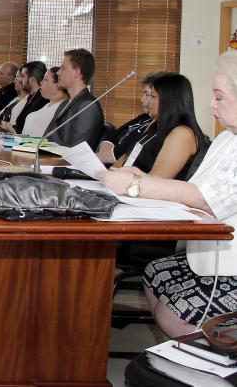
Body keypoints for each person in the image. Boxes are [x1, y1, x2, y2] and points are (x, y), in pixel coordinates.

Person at [101, 51, 237, 338]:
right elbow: (192, 190)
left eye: (219, 97)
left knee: (175, 310)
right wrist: (136, 177)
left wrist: (136, 185)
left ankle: (202, 368)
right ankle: (177, 355)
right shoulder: (227, 139)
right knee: (155, 273)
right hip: (210, 256)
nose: (211, 104)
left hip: (231, 267)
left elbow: (204, 198)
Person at [108, 73, 208, 181]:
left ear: (169, 101)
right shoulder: (154, 126)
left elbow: (156, 180)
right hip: (126, 189)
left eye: (153, 96)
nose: (145, 101)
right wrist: (107, 176)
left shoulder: (182, 134)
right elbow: (125, 158)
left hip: (144, 193)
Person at [97, 72, 167, 165]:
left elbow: (122, 153)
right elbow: (114, 136)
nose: (142, 99)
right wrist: (102, 155)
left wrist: (94, 158)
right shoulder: (143, 118)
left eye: (149, 95)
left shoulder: (159, 129)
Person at [44, 48, 104, 149]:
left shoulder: (88, 107)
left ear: (76, 72)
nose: (58, 72)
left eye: (63, 68)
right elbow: (48, 139)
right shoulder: (65, 103)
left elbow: (76, 151)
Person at [0, 61, 49, 134]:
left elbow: (28, 130)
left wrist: (12, 130)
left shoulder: (42, 100)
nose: (20, 80)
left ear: (32, 80)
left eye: (23, 76)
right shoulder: (31, 97)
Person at [19, 66, 69, 138]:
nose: (41, 82)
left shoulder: (63, 109)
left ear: (58, 84)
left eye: (45, 79)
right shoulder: (49, 104)